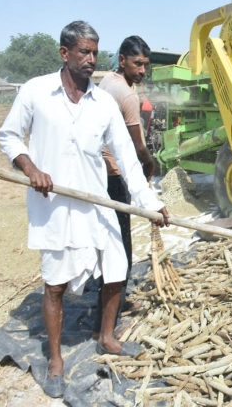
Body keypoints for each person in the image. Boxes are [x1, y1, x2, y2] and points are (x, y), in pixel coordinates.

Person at [0, 21, 169, 398]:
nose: (92, 59)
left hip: (97, 201)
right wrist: (31, 168)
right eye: (84, 52)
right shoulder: (36, 92)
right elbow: (8, 135)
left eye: (95, 52)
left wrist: (152, 203)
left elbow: (126, 156)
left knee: (116, 269)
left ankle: (106, 337)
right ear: (65, 53)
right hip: (55, 204)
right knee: (56, 283)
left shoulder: (103, 103)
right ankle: (56, 360)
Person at [93, 36, 155, 339]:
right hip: (116, 176)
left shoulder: (107, 82)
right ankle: (109, 321)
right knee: (122, 250)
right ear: (122, 60)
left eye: (145, 64)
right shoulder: (127, 96)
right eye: (137, 63)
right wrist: (150, 165)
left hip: (98, 173)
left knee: (107, 242)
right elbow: (136, 146)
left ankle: (118, 301)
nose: (142, 70)